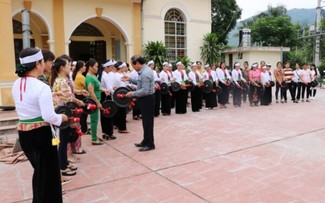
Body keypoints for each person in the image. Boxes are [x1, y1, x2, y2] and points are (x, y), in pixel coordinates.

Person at [12, 47, 68, 202]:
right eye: (43, 61)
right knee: (50, 177)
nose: (45, 63)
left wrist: (50, 95)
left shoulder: (17, 83)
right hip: (41, 135)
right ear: (38, 63)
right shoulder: (41, 86)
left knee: (39, 172)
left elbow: (29, 99)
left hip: (25, 134)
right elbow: (48, 116)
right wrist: (61, 118)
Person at [124, 55, 156, 152]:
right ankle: (146, 140)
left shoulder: (145, 73)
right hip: (146, 99)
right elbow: (140, 82)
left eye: (133, 65)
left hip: (147, 99)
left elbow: (145, 90)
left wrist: (132, 94)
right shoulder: (145, 71)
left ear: (138, 63)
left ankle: (150, 144)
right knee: (145, 122)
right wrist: (129, 79)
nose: (133, 67)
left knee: (148, 122)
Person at [85, 58, 104, 145]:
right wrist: (98, 103)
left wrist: (104, 90)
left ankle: (95, 135)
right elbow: (91, 92)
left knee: (96, 119)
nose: (97, 68)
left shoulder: (93, 76)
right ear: (90, 67)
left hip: (96, 100)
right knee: (94, 120)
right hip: (93, 102)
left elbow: (96, 87)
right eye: (96, 66)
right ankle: (94, 139)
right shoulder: (89, 78)